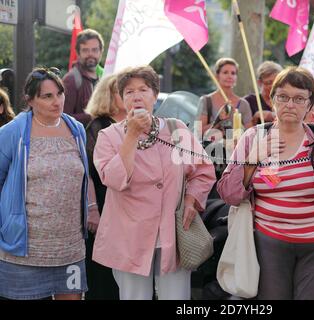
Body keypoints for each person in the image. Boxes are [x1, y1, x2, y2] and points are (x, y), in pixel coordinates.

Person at [217, 67, 314, 300]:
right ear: (272, 100)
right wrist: (252, 159)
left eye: (299, 98)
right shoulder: (254, 137)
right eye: (283, 97)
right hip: (268, 245)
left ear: (309, 104)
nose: (290, 104)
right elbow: (228, 194)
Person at [91, 66, 216, 300]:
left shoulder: (175, 128)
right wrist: (131, 136)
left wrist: (191, 200)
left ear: (155, 95)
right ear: (121, 98)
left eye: (143, 89)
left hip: (173, 233)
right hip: (129, 235)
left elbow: (202, 170)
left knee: (176, 297)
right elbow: (114, 179)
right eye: (128, 92)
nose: (136, 96)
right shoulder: (108, 136)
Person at [0, 67, 89, 300]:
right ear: (30, 100)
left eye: (59, 94)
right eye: (47, 96)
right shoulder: (12, 133)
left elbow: (84, 177)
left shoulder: (77, 130)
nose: (56, 101)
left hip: (70, 244)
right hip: (25, 246)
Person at [83, 74, 127, 300]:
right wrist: (93, 209)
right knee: (104, 275)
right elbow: (89, 173)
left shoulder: (139, 124)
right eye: (123, 91)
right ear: (109, 96)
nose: (130, 95)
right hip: (104, 203)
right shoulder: (99, 126)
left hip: (131, 209)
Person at [198, 57, 252, 135]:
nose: (230, 76)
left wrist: (236, 119)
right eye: (225, 72)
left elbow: (250, 134)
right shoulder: (205, 101)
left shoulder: (244, 104)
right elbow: (198, 132)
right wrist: (218, 120)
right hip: (213, 146)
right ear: (217, 76)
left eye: (233, 73)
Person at [63, 29, 105, 127]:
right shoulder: (71, 80)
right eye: (85, 50)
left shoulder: (105, 78)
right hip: (81, 141)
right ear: (78, 53)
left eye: (94, 50)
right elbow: (62, 118)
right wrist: (92, 116)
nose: (90, 54)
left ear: (101, 52)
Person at [243, 61, 282, 125]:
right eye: (269, 82)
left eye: (277, 82)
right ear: (259, 83)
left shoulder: (286, 101)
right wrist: (256, 117)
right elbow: (240, 129)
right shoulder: (249, 101)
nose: (273, 86)